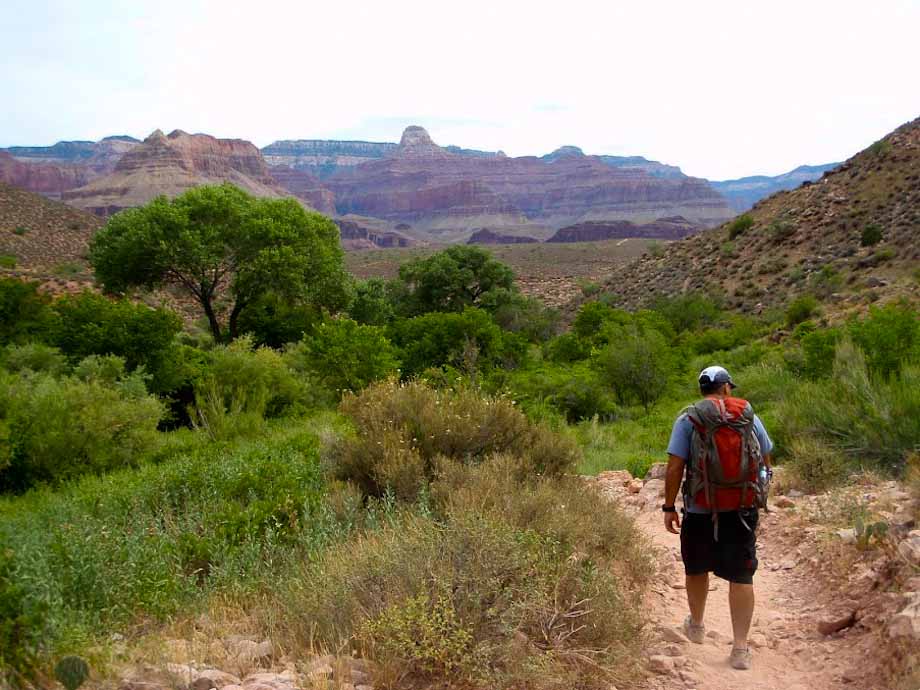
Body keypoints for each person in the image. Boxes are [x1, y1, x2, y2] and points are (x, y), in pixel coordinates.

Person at [662, 365, 773, 671]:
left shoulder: (688, 419)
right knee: (741, 574)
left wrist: (668, 507)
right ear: (726, 388)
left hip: (700, 508)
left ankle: (696, 626)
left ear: (702, 390)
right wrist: (760, 489)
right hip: (742, 508)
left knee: (696, 567)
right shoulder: (748, 416)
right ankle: (739, 648)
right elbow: (765, 457)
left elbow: (674, 467)